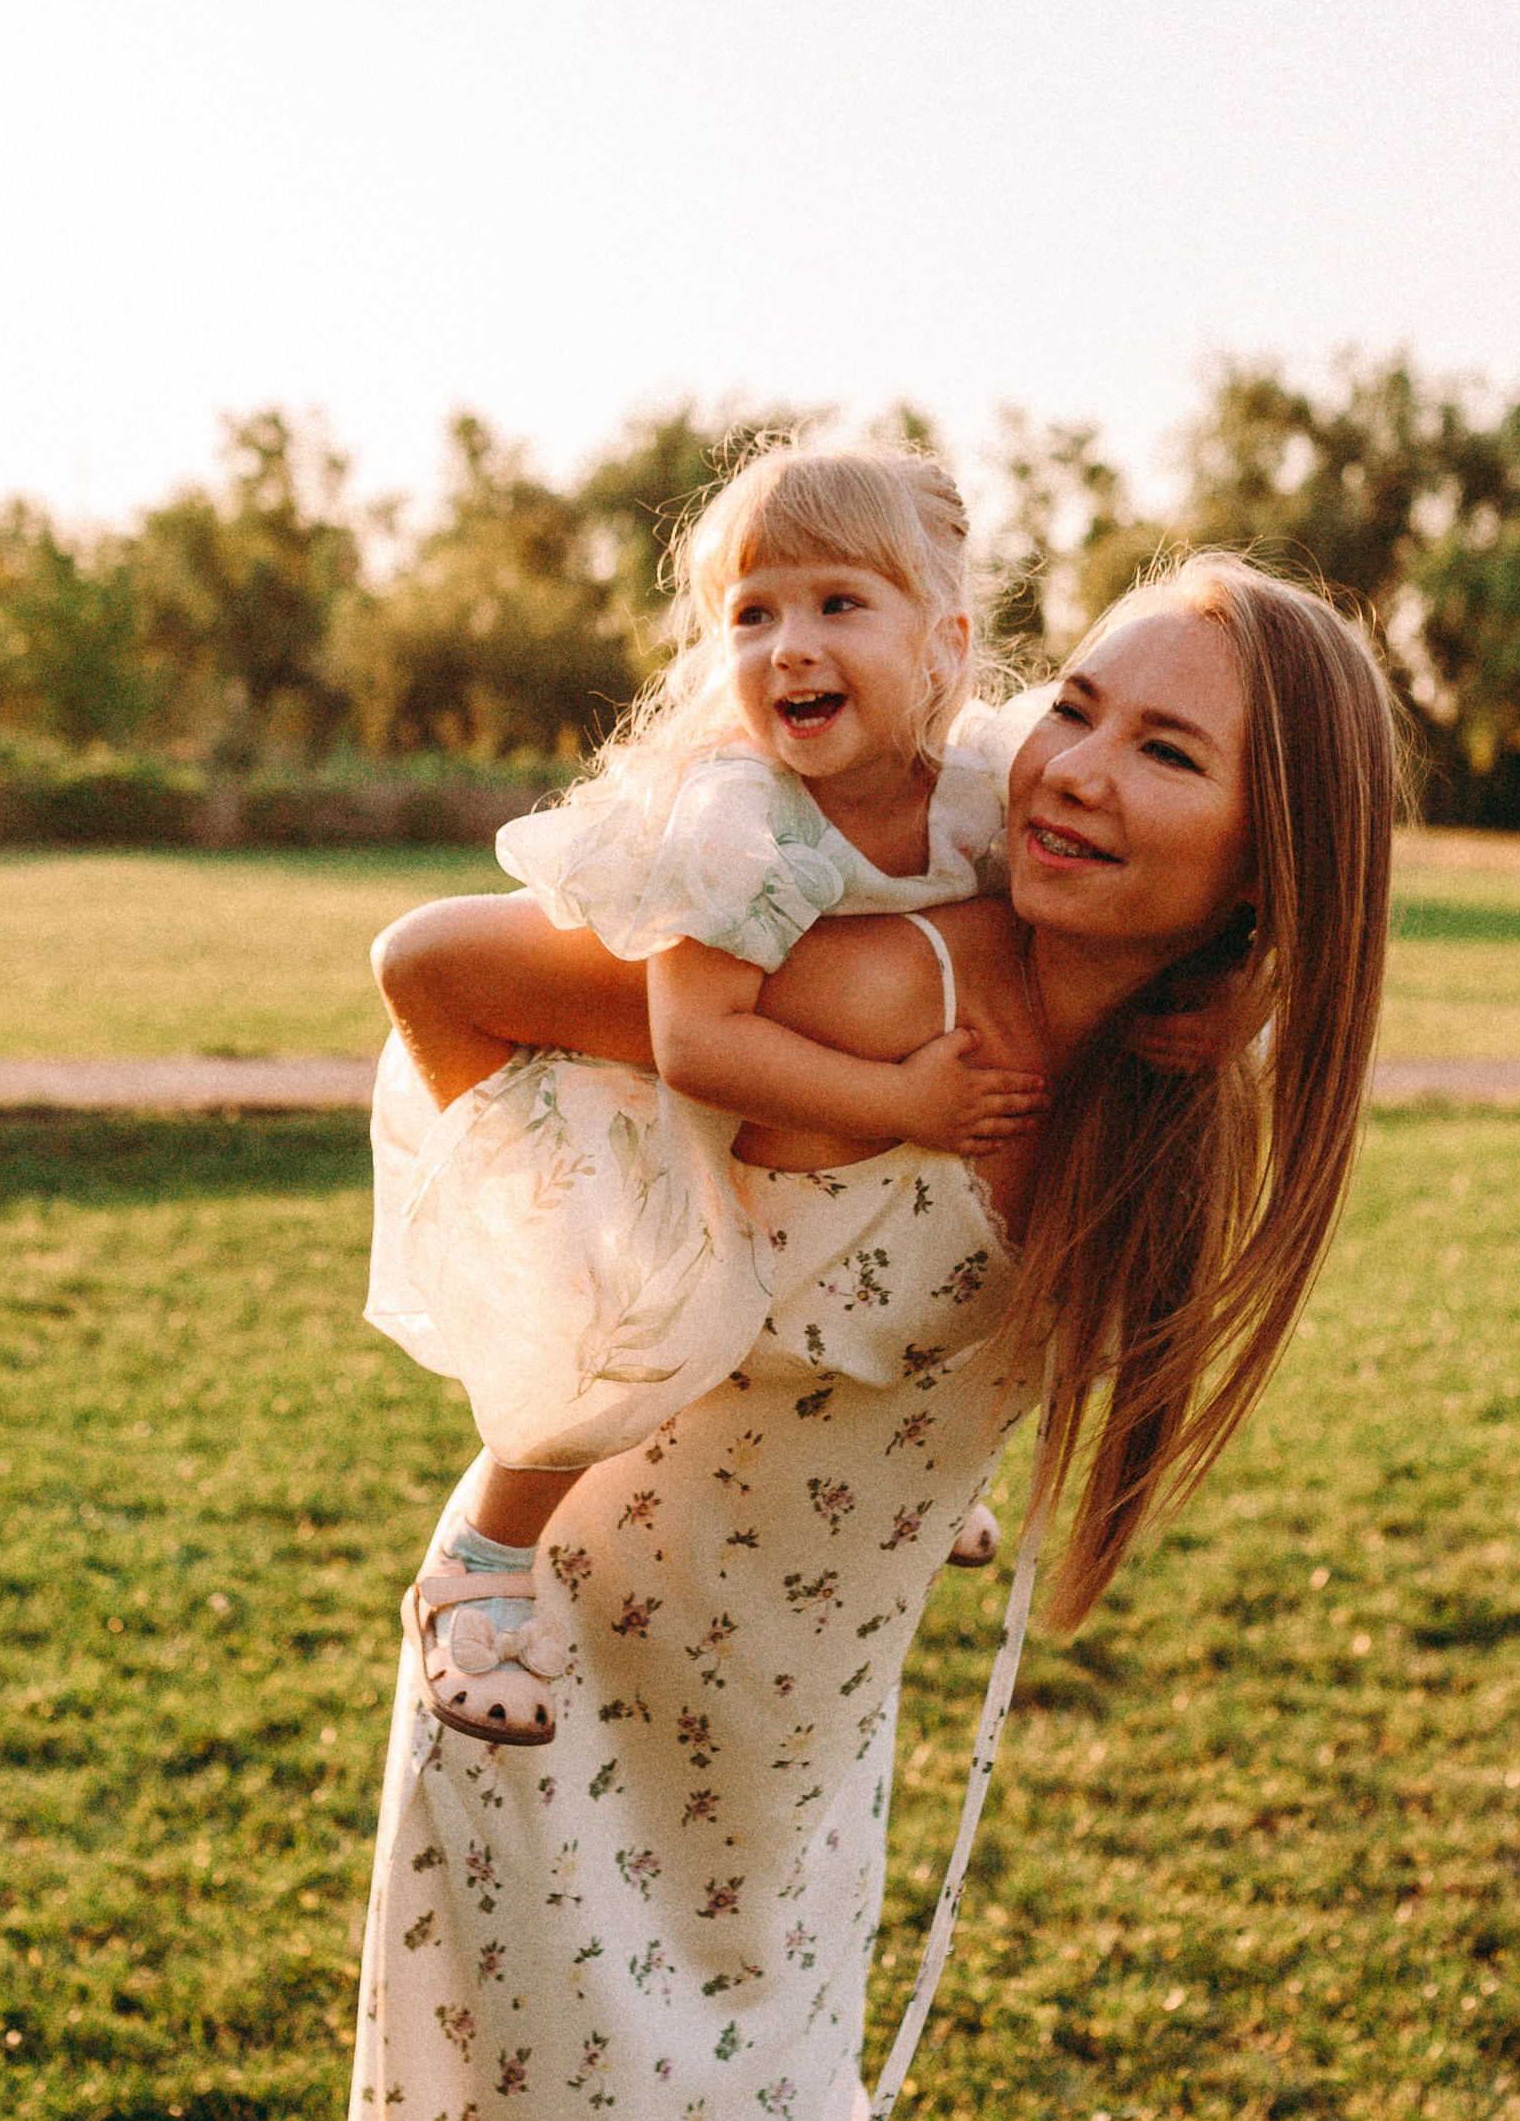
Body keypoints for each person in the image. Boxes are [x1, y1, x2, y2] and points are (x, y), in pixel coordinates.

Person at [307, 558, 1400, 2121]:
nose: (1081, 772)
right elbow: (435, 977)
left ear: (1267, 877)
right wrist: (585, 1280)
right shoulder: (872, 968)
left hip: (786, 1777)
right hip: (562, 1710)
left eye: (1165, 752)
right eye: (1078, 709)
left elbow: (921, 1367)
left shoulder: (1160, 1097)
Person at [367, 439, 1048, 1748]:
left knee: (864, 1278)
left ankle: (891, 1480)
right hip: (637, 1103)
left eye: (839, 604)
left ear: (944, 643)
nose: (790, 644)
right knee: (644, 1314)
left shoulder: (970, 794)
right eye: (753, 614)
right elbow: (699, 1047)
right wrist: (900, 1094)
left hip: (788, 1115)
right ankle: (484, 1567)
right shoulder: (743, 823)